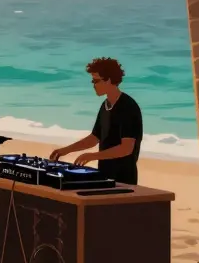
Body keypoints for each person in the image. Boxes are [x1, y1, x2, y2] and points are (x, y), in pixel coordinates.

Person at [50, 57, 144, 185]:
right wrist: (66, 150)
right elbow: (95, 137)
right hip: (105, 174)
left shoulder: (128, 107)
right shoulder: (105, 105)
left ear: (109, 80)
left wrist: (92, 156)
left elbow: (126, 148)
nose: (93, 85)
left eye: (96, 81)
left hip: (124, 179)